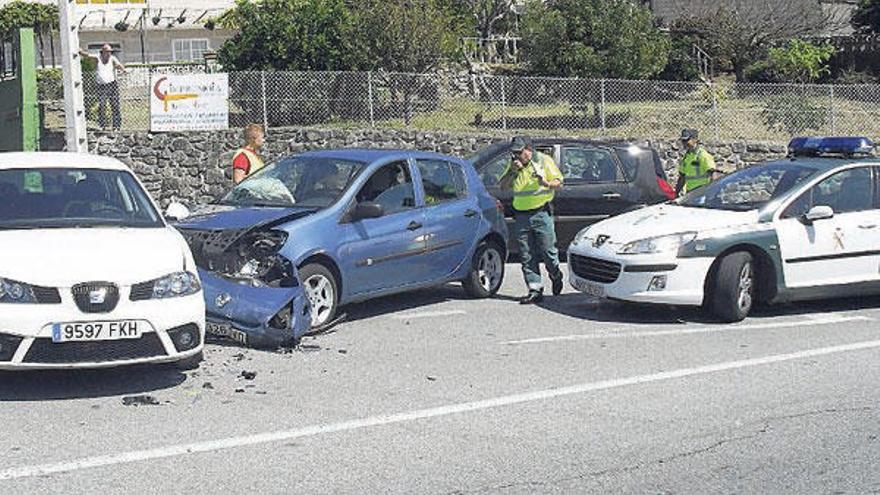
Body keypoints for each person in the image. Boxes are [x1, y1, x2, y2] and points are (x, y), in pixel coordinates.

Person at [499, 137, 564, 304]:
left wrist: (547, 183)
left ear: (529, 149)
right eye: (514, 153)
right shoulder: (514, 164)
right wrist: (513, 171)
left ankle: (556, 274)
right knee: (526, 255)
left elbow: (559, 182)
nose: (517, 156)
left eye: (520, 152)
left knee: (548, 252)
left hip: (541, 213)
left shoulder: (543, 160)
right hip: (521, 215)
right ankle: (535, 289)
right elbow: (503, 186)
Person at [79, 44, 126, 130]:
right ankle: (102, 125)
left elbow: (118, 65)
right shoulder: (98, 57)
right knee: (102, 105)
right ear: (103, 52)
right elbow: (88, 55)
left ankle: (116, 126)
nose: (109, 54)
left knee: (115, 105)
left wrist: (123, 69)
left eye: (110, 52)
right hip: (101, 86)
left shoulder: (112, 59)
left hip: (112, 85)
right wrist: (80, 52)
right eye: (107, 52)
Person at [675, 128, 717, 196]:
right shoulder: (686, 157)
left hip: (702, 193)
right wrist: (676, 193)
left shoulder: (703, 155)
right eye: (683, 140)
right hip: (690, 193)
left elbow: (713, 174)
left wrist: (712, 192)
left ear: (695, 139)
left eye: (687, 140)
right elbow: (682, 177)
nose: (685, 143)